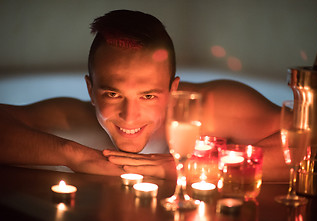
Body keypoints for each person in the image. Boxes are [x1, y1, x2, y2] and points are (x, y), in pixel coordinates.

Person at [0, 10, 288, 181]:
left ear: (173, 91)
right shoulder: (74, 119)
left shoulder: (213, 107)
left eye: (148, 96)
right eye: (113, 93)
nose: (130, 115)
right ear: (90, 90)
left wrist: (196, 166)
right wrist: (74, 155)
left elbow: (312, 141)